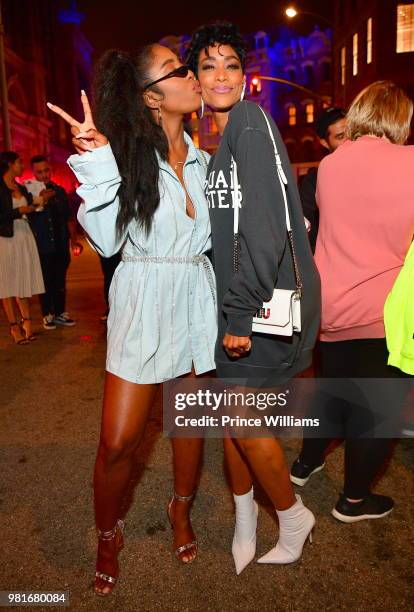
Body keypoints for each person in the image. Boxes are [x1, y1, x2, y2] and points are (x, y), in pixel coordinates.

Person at [47, 44, 217, 595]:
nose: (194, 77)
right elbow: (105, 239)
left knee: (188, 424)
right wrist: (96, 163)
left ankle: (181, 507)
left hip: (195, 297)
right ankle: (107, 532)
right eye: (181, 71)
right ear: (151, 96)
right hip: (144, 298)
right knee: (119, 441)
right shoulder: (122, 159)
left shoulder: (205, 161)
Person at [187, 22, 320, 573]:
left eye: (231, 65)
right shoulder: (223, 138)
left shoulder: (247, 120)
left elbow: (265, 228)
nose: (220, 75)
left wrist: (239, 311)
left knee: (242, 418)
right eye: (208, 66)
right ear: (194, 81)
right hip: (243, 301)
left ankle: (291, 516)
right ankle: (245, 521)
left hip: (262, 304)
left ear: (246, 76)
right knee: (230, 416)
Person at [290, 81, 414, 522]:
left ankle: (306, 463)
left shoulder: (329, 166)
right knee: (377, 413)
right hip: (383, 314)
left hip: (330, 307)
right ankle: (355, 501)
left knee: (332, 393)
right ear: (400, 118)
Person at [0, 151, 51, 343]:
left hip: (24, 235)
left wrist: (41, 199)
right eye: (19, 162)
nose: (22, 166)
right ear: (10, 165)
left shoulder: (20, 187)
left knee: (22, 280)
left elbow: (32, 204)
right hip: (6, 238)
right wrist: (18, 211)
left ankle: (27, 323)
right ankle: (14, 327)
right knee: (7, 283)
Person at [26, 156, 82, 329]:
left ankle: (59, 312)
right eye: (40, 172)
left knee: (60, 279)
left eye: (46, 170)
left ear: (51, 170)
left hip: (60, 243)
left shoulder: (59, 191)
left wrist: (73, 241)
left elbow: (69, 217)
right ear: (34, 173)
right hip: (41, 245)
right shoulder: (29, 192)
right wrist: (39, 200)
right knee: (45, 280)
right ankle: (47, 314)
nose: (44, 175)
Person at [299, 107, 346, 252]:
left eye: (353, 133)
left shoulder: (370, 170)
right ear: (325, 143)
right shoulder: (313, 182)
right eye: (340, 136)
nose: (349, 140)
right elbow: (308, 237)